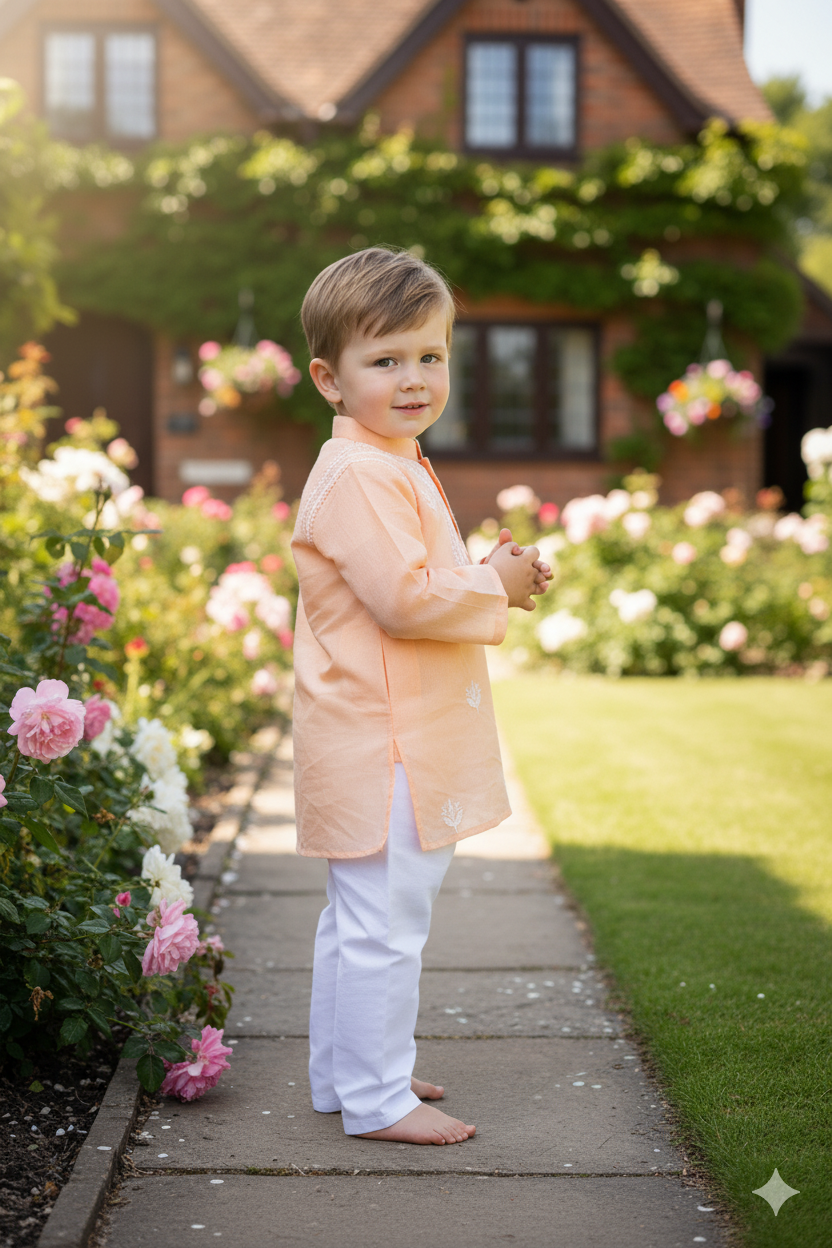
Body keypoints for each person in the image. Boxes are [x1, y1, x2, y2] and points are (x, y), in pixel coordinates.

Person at [291, 247, 552, 1146]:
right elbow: (403, 599)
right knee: (385, 924)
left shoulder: (387, 460)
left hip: (377, 734)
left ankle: (349, 1075)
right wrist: (495, 586)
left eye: (430, 357)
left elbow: (411, 578)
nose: (413, 378)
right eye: (385, 359)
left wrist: (487, 571)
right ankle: (375, 1100)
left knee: (357, 918)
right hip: (384, 743)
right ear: (330, 378)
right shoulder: (363, 473)